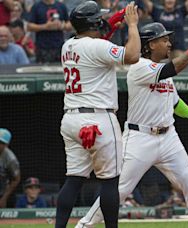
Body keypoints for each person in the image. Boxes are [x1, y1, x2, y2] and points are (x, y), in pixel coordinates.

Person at [75, 22, 188, 228]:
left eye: (168, 40)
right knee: (120, 189)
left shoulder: (161, 71)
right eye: (164, 40)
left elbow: (174, 102)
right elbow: (172, 69)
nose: (169, 44)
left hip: (168, 137)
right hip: (140, 137)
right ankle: (84, 225)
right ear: (149, 45)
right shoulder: (139, 66)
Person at [56, 1, 141, 228]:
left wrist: (119, 15)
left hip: (71, 119)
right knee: (110, 182)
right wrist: (132, 24)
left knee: (73, 180)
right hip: (99, 118)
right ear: (93, 23)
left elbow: (101, 33)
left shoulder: (68, 45)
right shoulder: (96, 47)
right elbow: (132, 55)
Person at [0, 128, 20, 208]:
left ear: (6, 145)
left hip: (3, 189)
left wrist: (4, 198)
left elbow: (16, 179)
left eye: (1, 142)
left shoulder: (10, 158)